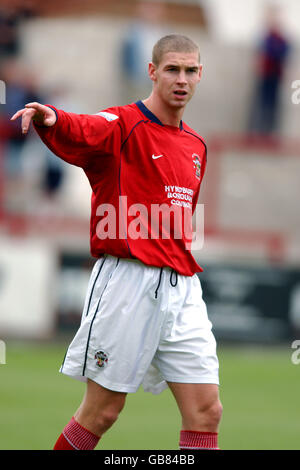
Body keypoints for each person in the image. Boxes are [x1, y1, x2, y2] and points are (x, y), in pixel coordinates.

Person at [11, 34, 222, 451]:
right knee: (102, 412)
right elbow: (84, 127)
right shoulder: (124, 124)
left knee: (206, 412)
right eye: (172, 69)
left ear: (200, 75)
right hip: (128, 284)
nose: (182, 79)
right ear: (152, 71)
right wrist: (51, 115)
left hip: (182, 287)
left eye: (190, 70)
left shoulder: (197, 145)